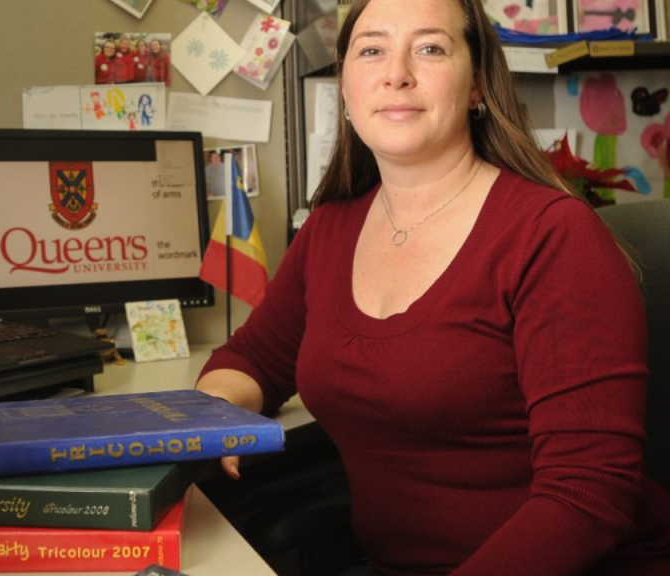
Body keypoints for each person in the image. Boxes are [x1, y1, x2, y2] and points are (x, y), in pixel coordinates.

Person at [195, 0, 670, 575]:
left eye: (430, 48)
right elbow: (253, 358)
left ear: (476, 88)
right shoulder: (331, 228)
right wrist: (214, 411)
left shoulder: (553, 236)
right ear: (346, 87)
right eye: (371, 50)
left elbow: (588, 498)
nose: (396, 72)